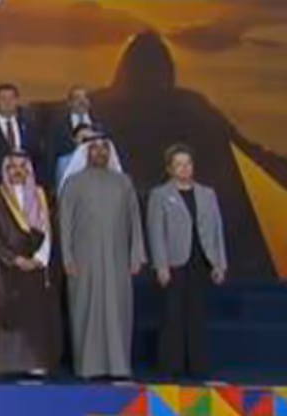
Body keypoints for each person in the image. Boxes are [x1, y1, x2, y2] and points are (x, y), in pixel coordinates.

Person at [59, 133, 145, 380]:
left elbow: (134, 221)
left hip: (118, 259)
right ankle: (87, 367)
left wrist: (136, 254)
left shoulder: (123, 182)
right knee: (85, 309)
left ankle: (118, 366)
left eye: (104, 149)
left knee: (118, 311)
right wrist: (67, 257)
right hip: (82, 260)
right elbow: (65, 223)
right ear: (86, 153)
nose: (99, 153)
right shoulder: (73, 183)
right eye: (94, 148)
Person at [147, 144, 228, 380]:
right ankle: (171, 367)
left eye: (188, 163)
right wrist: (161, 265)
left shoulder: (207, 194)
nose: (185, 168)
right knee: (173, 315)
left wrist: (219, 264)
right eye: (179, 164)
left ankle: (198, 367)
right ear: (170, 169)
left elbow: (216, 230)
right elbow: (156, 232)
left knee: (197, 315)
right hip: (174, 263)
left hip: (200, 261)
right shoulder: (160, 195)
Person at [0, 151, 62, 380]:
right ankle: (5, 365)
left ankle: (35, 363)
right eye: (12, 166)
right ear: (5, 171)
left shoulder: (40, 195)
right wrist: (14, 259)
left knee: (36, 316)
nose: (17, 171)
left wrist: (40, 259)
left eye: (22, 166)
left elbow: (50, 231)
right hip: (6, 269)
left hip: (36, 267)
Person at [44, 86, 96, 185]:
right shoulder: (57, 125)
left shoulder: (100, 124)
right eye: (77, 98)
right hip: (67, 178)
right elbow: (50, 154)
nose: (82, 101)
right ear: (69, 103)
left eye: (85, 97)